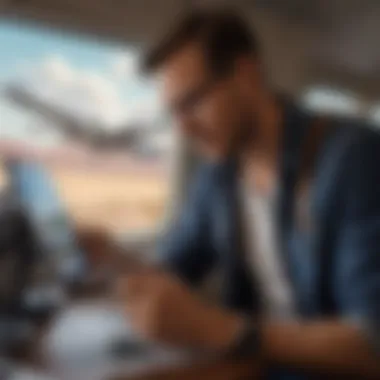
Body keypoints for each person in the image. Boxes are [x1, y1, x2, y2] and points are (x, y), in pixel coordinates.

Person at [81, 8, 380, 378]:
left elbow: (371, 344)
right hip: (253, 366)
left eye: (192, 102)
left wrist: (219, 329)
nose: (184, 130)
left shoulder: (352, 159)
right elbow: (172, 272)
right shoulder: (218, 178)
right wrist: (113, 257)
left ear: (246, 74)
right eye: (173, 114)